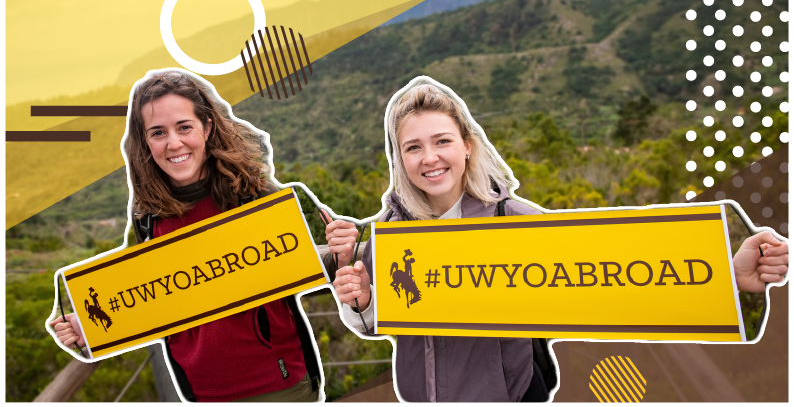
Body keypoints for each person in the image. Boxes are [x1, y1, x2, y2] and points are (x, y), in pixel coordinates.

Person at [324, 76, 789, 402]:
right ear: (400, 160)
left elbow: (618, 277)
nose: (430, 158)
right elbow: (373, 323)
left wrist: (729, 275)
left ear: (467, 144)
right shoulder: (392, 232)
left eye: (442, 141)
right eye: (413, 147)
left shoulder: (514, 219)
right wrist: (361, 300)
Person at [49, 70, 322, 402]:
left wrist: (342, 248)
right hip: (201, 393)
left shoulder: (253, 195)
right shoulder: (147, 217)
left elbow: (313, 262)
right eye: (158, 132)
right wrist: (91, 325)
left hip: (278, 385)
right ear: (146, 142)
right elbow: (150, 295)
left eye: (184, 127)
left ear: (206, 128)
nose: (174, 143)